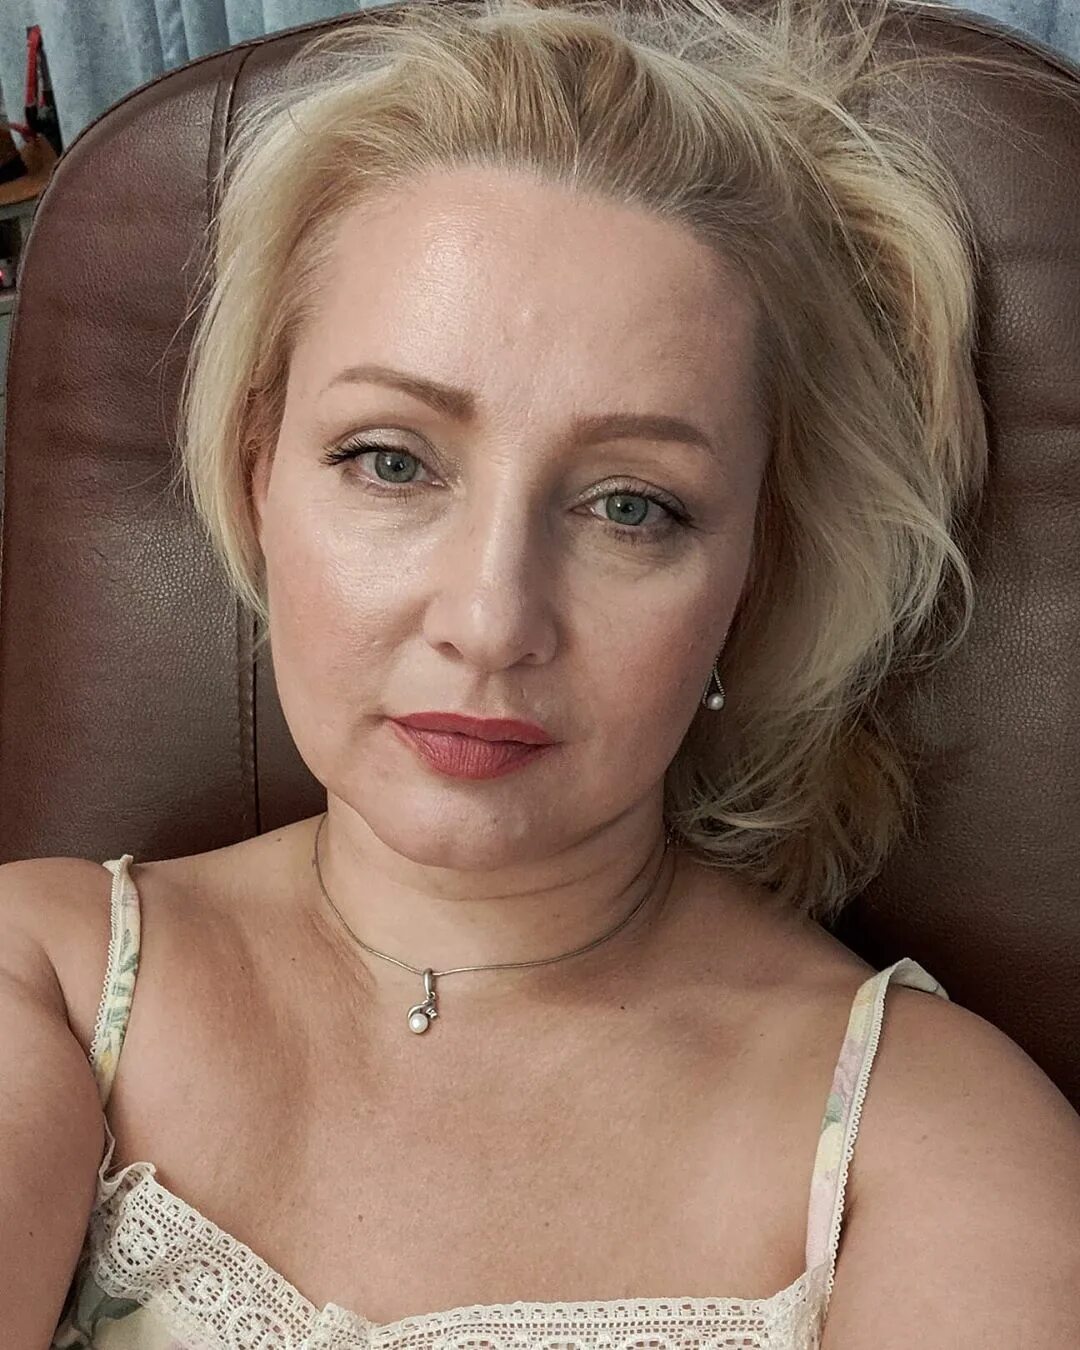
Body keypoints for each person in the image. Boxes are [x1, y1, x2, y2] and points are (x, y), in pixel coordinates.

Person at [3, 0, 1077, 1346]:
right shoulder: (39, 982)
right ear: (256, 470)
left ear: (755, 568)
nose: (491, 618)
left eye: (633, 506)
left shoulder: (934, 1154)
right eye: (391, 460)